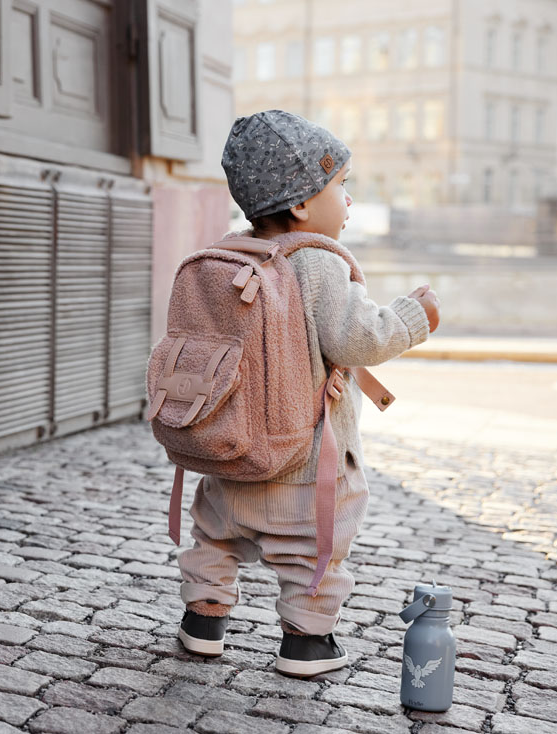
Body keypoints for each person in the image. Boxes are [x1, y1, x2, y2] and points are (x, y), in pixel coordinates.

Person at [175, 110, 441, 677]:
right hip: (302, 461)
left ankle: (203, 621)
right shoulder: (316, 262)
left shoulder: (230, 254)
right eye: (340, 186)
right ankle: (307, 643)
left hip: (229, 450)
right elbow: (359, 337)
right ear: (301, 203)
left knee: (214, 538)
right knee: (312, 554)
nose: (347, 202)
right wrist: (414, 317)